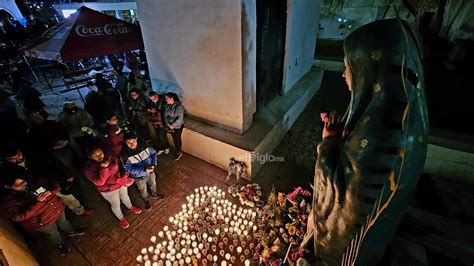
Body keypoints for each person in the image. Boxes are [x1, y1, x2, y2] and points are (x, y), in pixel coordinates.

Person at [310, 19, 429, 265]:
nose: (344, 74)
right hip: (374, 247)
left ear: (367, 67)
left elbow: (335, 200)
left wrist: (329, 144)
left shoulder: (376, 137)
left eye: (347, 66)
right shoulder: (403, 121)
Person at [0, 168, 85, 256]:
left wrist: (51, 191)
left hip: (56, 208)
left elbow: (54, 184)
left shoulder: (33, 179)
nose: (24, 185)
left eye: (24, 181)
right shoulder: (7, 201)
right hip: (41, 221)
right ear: (7, 186)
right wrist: (37, 203)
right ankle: (60, 244)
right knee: (52, 233)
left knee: (63, 221)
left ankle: (71, 230)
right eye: (19, 185)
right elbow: (18, 217)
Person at [85, 145, 141, 229]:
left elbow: (120, 165)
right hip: (109, 190)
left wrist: (124, 173)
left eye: (100, 153)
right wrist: (104, 168)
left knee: (125, 196)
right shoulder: (89, 168)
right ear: (90, 157)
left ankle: (130, 207)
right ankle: (121, 217)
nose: (100, 156)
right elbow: (99, 182)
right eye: (96, 155)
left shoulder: (110, 156)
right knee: (116, 203)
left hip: (120, 182)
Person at [121, 132, 164, 210]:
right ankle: (146, 200)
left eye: (133, 141)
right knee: (142, 189)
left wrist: (153, 164)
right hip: (139, 177)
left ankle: (154, 194)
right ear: (125, 143)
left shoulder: (144, 145)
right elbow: (129, 169)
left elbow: (153, 153)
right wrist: (144, 170)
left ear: (136, 139)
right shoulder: (125, 154)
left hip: (151, 171)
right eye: (129, 143)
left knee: (153, 183)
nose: (132, 144)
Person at [164, 92, 184, 160]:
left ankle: (178, 152)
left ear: (172, 98)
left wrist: (173, 125)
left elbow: (180, 118)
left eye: (167, 98)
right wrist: (168, 124)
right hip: (170, 126)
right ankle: (177, 150)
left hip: (178, 126)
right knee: (174, 139)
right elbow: (165, 116)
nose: (166, 100)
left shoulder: (179, 107)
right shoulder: (167, 106)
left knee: (177, 139)